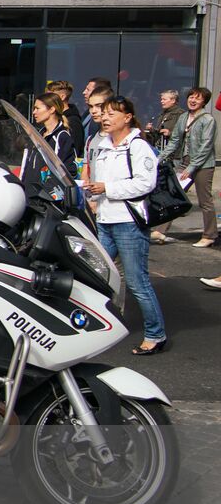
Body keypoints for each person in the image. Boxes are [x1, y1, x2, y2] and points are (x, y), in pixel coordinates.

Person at [82, 97, 170, 355]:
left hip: (129, 222)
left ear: (128, 117)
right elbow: (100, 181)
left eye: (111, 114)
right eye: (104, 113)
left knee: (136, 281)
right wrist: (94, 195)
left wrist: (107, 188)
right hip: (105, 220)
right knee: (95, 275)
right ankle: (100, 325)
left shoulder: (138, 146)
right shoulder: (104, 145)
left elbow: (145, 184)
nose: (105, 117)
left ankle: (156, 334)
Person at [157, 87, 216, 248]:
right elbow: (175, 141)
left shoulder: (208, 119)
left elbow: (206, 147)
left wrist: (191, 168)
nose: (193, 100)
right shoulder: (183, 117)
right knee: (173, 195)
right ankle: (160, 231)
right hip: (184, 161)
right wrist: (159, 158)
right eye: (191, 97)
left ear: (204, 102)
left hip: (203, 165)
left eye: (197, 98)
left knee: (205, 201)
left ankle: (209, 235)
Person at [25, 93, 77, 187]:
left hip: (47, 193)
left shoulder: (62, 136)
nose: (34, 112)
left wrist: (49, 188)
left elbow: (68, 171)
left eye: (37, 108)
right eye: (34, 109)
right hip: (31, 190)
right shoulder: (39, 134)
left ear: (52, 109)